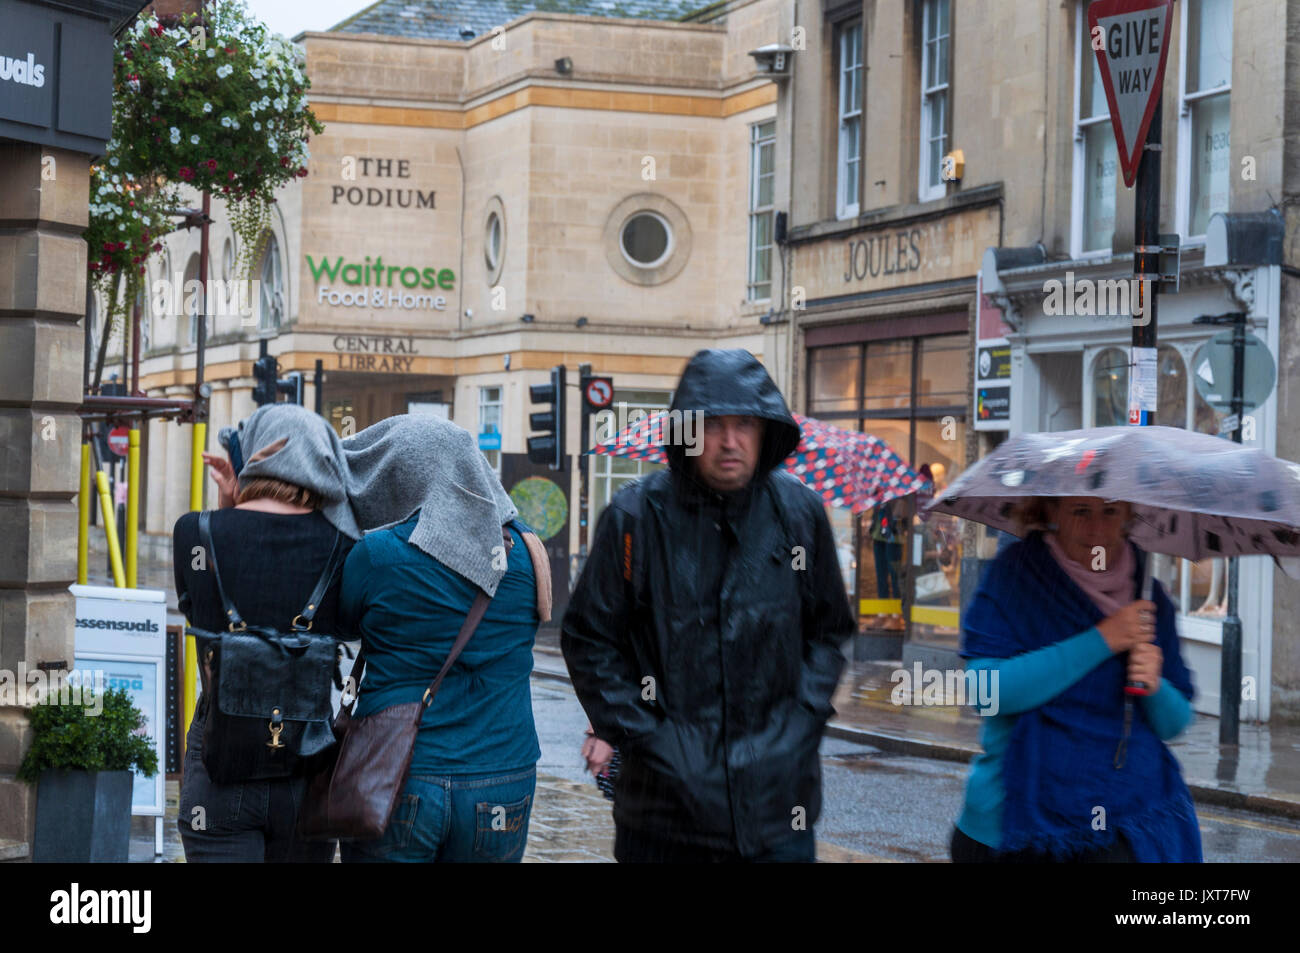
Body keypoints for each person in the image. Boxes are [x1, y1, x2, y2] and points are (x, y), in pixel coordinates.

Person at [562, 348, 855, 863]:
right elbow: (590, 640)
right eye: (712, 424)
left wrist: (799, 726)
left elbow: (828, 632)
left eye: (744, 424)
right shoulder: (634, 516)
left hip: (777, 814)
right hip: (664, 820)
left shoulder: (799, 514)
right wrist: (655, 743)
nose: (729, 441)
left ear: (765, 430)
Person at [336, 415, 549, 863]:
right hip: (504, 778)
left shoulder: (377, 556)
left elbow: (340, 624)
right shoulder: (529, 554)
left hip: (399, 775)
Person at [950, 495, 1202, 863]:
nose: (1097, 528)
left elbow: (1174, 723)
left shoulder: (1149, 597)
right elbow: (985, 691)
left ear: (1129, 515)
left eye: (1111, 511)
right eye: (1081, 511)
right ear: (1052, 511)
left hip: (1124, 821)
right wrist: (1104, 639)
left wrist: (1155, 685)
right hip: (1013, 827)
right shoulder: (1015, 575)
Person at [174, 404, 356, 862]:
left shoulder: (193, 533)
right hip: (307, 770)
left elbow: (202, 603)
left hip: (219, 766)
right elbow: (350, 624)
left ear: (253, 456)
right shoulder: (346, 545)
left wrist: (232, 506)